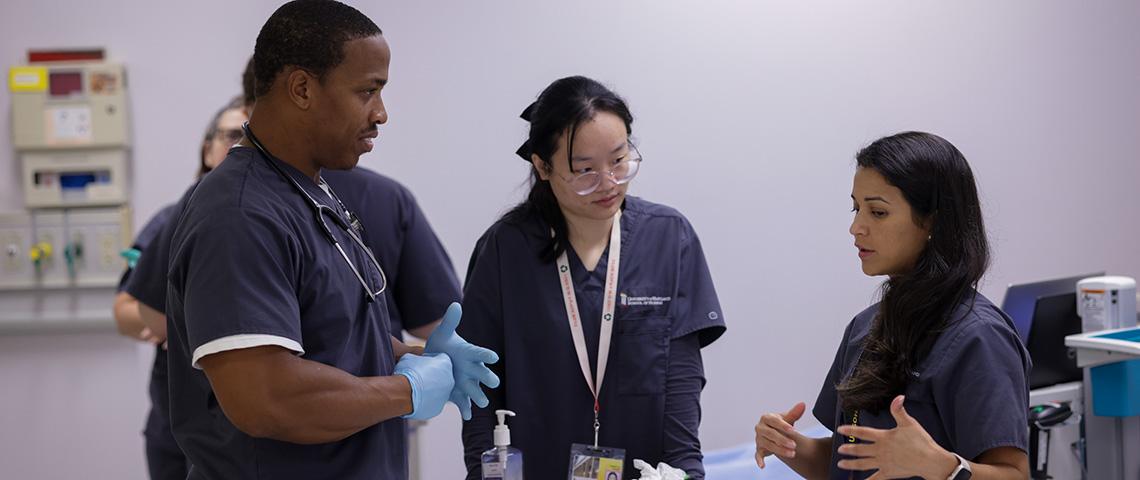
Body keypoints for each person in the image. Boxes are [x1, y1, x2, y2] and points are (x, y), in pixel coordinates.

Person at [163, 1, 495, 478]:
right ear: (302, 88)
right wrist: (408, 392)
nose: (381, 113)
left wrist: (418, 355)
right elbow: (267, 399)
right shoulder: (239, 215)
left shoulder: (309, 192)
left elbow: (328, 340)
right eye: (367, 91)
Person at [459, 76, 726, 479]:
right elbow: (480, 390)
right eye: (585, 171)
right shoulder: (505, 250)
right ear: (542, 167)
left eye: (620, 161)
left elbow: (681, 381)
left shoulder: (669, 237)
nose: (609, 183)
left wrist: (686, 472)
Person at [753, 132, 1031, 480]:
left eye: (878, 212)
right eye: (856, 208)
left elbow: (1014, 475)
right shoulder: (865, 328)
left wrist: (946, 469)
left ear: (932, 221)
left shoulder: (979, 338)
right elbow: (845, 463)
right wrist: (789, 444)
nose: (856, 227)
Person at [113, 96, 244, 480]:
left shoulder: (271, 221)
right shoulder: (174, 220)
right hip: (177, 424)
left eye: (248, 135)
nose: (239, 145)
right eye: (230, 134)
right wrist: (185, 324)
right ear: (208, 150)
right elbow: (125, 312)